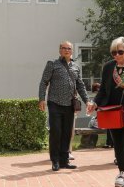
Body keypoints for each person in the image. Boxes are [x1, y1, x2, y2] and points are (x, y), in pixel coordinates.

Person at [89, 38, 124, 187]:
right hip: (111, 111)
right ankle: (121, 172)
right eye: (114, 52)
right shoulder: (108, 67)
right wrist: (95, 103)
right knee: (117, 142)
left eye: (120, 52)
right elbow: (103, 90)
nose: (117, 55)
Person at [38, 41, 89, 172]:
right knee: (56, 132)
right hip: (54, 103)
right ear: (60, 50)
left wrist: (87, 101)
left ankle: (64, 160)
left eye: (69, 48)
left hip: (69, 104)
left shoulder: (76, 67)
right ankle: (55, 160)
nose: (66, 50)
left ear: (72, 51)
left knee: (67, 133)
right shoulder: (52, 64)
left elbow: (81, 86)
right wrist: (41, 99)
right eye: (64, 48)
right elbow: (44, 82)